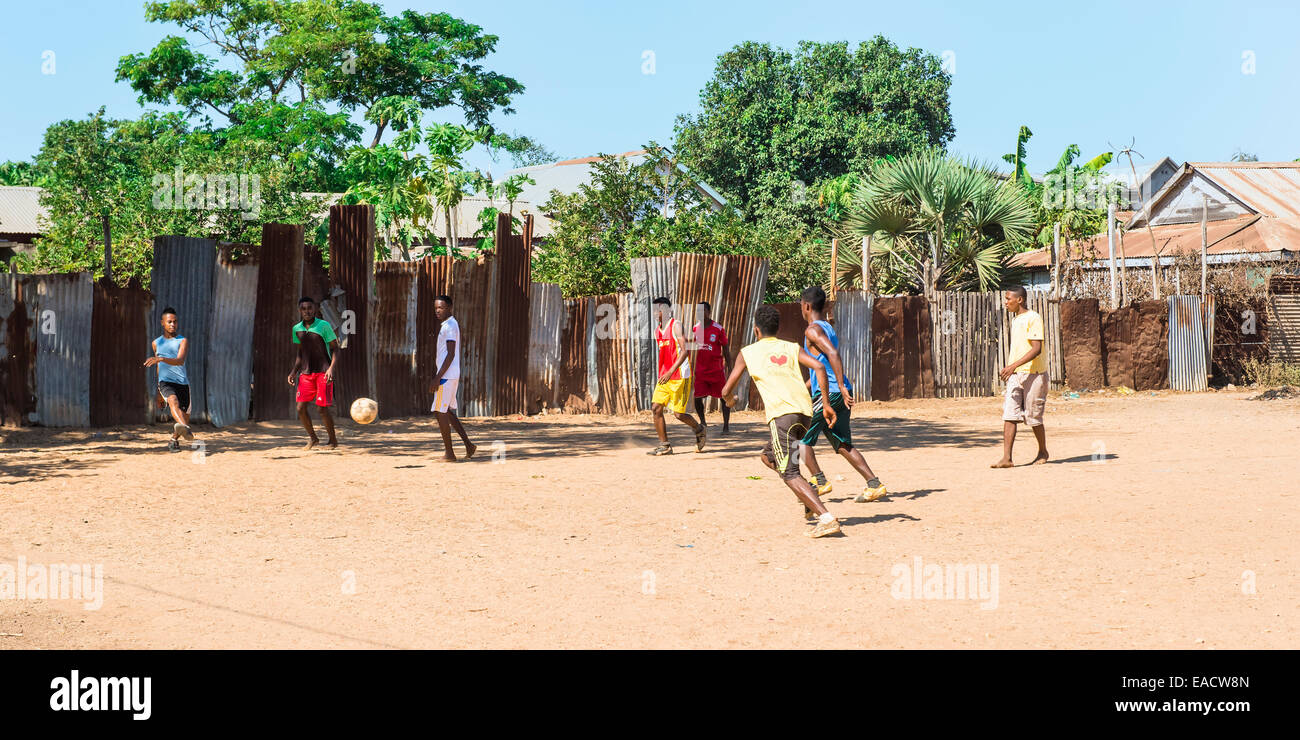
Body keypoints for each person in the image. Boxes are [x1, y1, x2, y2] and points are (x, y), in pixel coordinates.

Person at [721, 304, 842, 538]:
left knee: (789, 473)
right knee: (768, 456)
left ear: (756, 330)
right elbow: (818, 366)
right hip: (804, 415)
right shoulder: (791, 347)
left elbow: (727, 389)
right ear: (777, 328)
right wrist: (825, 404)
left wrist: (730, 400)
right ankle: (807, 495)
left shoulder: (748, 352)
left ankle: (826, 518)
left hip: (782, 417)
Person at [797, 286, 889, 503]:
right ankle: (874, 484)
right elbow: (821, 366)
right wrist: (804, 388)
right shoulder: (826, 327)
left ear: (806, 306)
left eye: (801, 306)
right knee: (842, 443)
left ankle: (819, 481)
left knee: (800, 439)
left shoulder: (812, 330)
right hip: (837, 391)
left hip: (829, 393)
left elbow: (833, 354)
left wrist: (840, 385)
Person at [993, 286, 1049, 468]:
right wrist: (1013, 369)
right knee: (1010, 414)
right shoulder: (1016, 319)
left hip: (1034, 374)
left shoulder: (1033, 318)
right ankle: (1007, 458)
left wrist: (1013, 365)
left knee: (1033, 417)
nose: (1006, 302)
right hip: (1016, 375)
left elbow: (1036, 348)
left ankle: (1042, 451)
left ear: (1020, 300)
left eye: (1008, 298)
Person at [648, 297, 705, 455]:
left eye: (656, 310)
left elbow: (685, 351)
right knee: (656, 408)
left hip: (680, 374)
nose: (653, 313)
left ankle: (699, 429)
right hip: (665, 376)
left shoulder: (676, 325)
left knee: (678, 414)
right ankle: (665, 445)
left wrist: (670, 371)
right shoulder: (657, 331)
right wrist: (664, 372)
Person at [287, 296, 339, 450]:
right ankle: (313, 439)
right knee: (300, 408)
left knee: (321, 408)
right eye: (303, 309)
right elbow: (300, 353)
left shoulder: (324, 326)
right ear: (299, 310)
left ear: (314, 309)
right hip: (305, 374)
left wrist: (331, 369)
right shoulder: (296, 329)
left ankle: (333, 441)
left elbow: (336, 348)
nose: (307, 311)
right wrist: (293, 372)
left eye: (309, 308)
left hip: (323, 372)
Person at [429, 295, 477, 462]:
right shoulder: (450, 324)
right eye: (436, 308)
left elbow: (450, 354)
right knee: (446, 410)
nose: (437, 311)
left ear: (449, 308)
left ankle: (449, 454)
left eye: (441, 308)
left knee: (439, 411)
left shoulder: (449, 326)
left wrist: (437, 377)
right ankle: (469, 445)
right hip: (451, 374)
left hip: (447, 376)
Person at [143, 307, 193, 452]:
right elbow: (159, 367)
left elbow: (180, 360)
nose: (172, 324)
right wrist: (159, 391)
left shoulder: (182, 340)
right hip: (165, 382)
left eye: (175, 322)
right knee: (173, 401)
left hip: (182, 383)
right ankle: (187, 429)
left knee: (184, 417)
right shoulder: (156, 343)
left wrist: (161, 358)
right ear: (162, 323)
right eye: (169, 322)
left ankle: (173, 440)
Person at [690, 301, 731, 433]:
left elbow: (725, 348)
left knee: (724, 397)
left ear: (709, 312)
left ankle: (726, 426)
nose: (700, 314)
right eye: (698, 312)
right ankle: (703, 422)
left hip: (716, 370)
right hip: (701, 371)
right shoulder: (696, 328)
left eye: (703, 311)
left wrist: (730, 367)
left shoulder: (718, 329)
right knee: (697, 398)